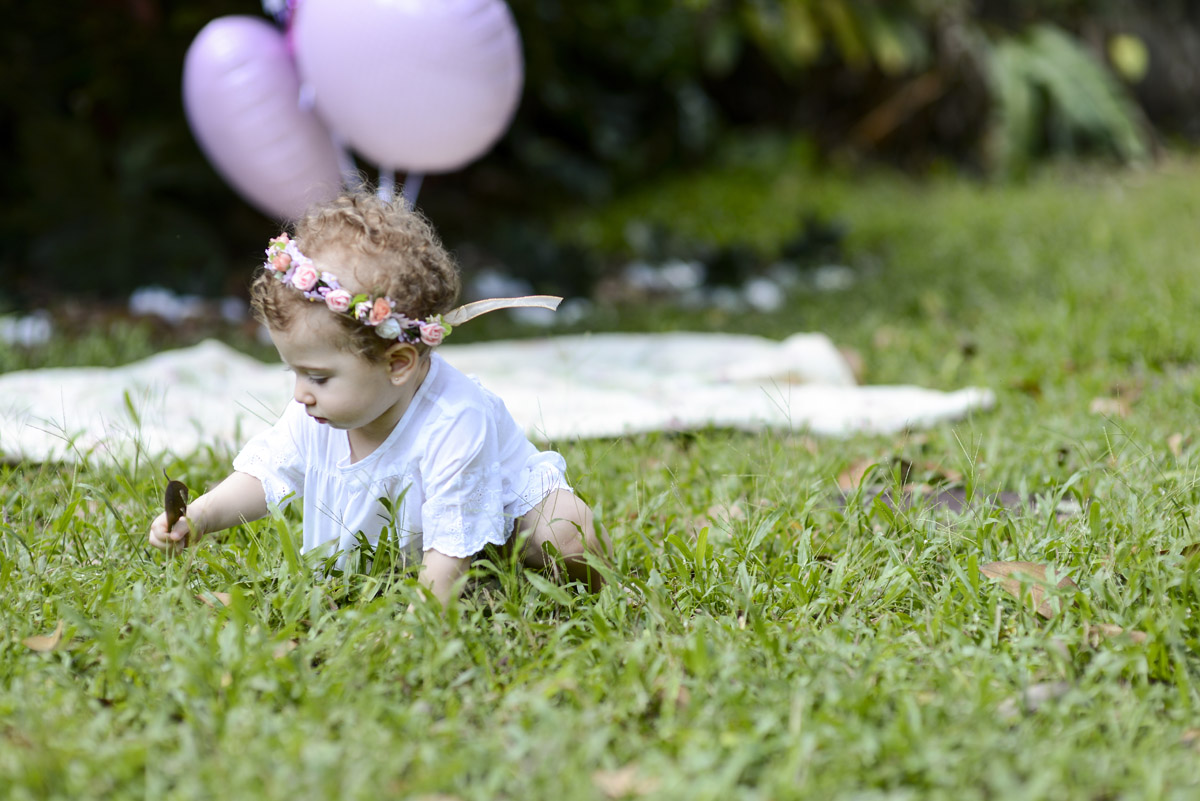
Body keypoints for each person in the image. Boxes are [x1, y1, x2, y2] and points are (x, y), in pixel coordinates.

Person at [148, 192, 609, 603]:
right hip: (421, 531)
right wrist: (200, 516)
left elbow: (451, 540)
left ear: (398, 364)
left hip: (499, 514)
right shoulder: (320, 411)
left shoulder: (455, 419)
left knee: (567, 534)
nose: (300, 394)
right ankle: (455, 575)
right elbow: (269, 472)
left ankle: (535, 574)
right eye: (295, 372)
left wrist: (419, 625)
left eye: (318, 377)